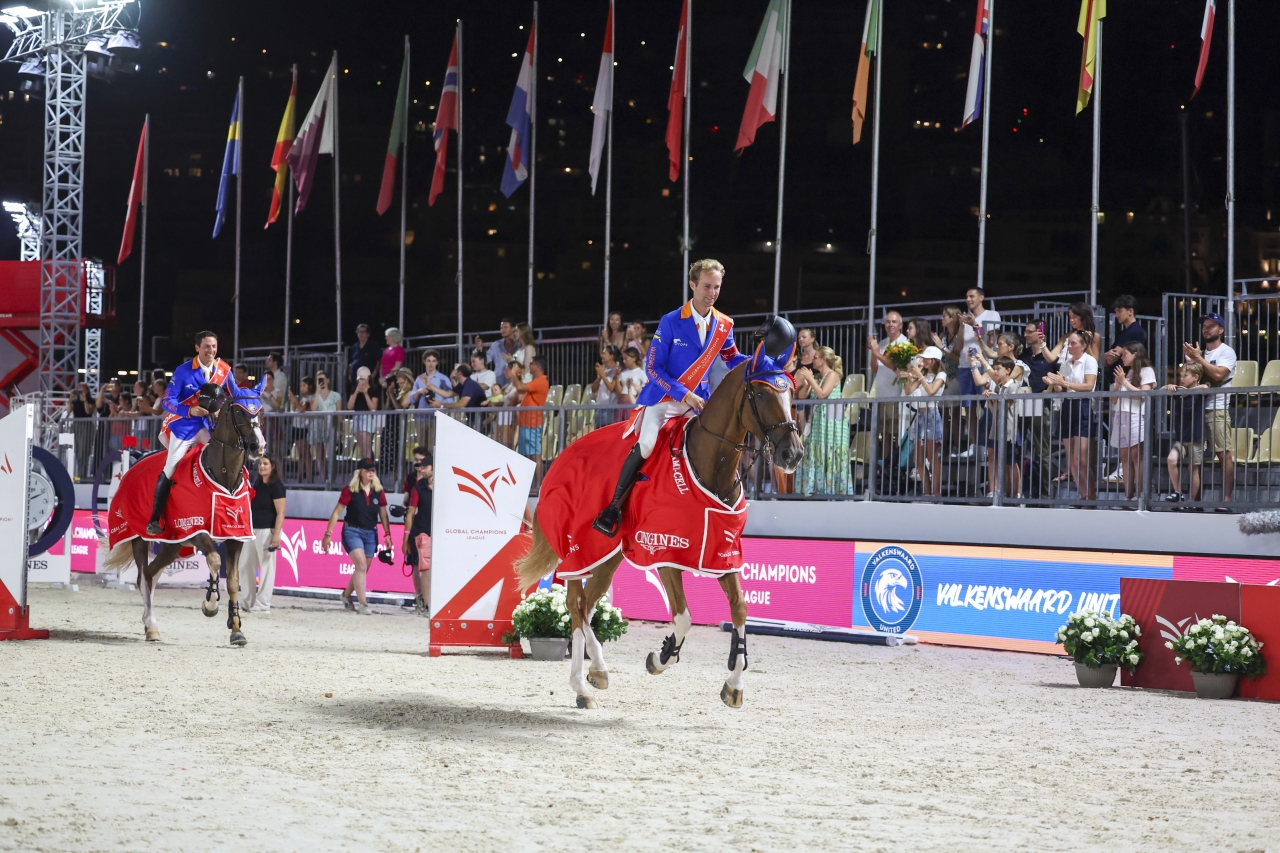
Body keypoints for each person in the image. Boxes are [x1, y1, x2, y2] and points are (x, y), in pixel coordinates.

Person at [591, 259, 752, 537]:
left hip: (699, 403)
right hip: (664, 399)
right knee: (646, 444)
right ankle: (613, 508)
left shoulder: (725, 324)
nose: (712, 293)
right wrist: (684, 394)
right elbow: (653, 369)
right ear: (692, 285)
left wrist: (761, 361)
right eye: (707, 286)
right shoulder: (671, 321)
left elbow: (732, 358)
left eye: (717, 287)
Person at [148, 330, 241, 536]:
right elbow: (167, 401)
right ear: (197, 348)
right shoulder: (183, 371)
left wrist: (224, 406)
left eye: (214, 346)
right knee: (171, 466)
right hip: (184, 426)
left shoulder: (224, 369)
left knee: (222, 457)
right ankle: (154, 518)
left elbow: (233, 395)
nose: (211, 350)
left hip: (208, 426)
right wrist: (189, 410)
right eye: (207, 346)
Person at [321, 458, 392, 615]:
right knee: (361, 565)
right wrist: (328, 534)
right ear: (360, 472)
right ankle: (363, 604)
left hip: (371, 532)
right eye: (368, 470)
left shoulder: (379, 491)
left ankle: (346, 596)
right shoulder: (350, 491)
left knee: (363, 568)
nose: (371, 472)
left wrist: (387, 534)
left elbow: (383, 515)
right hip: (352, 530)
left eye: (373, 469)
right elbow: (337, 512)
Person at [1182, 312, 1236, 507]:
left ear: (1221, 330)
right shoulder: (1200, 353)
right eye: (1204, 326)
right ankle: (1195, 500)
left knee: (1223, 453)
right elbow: (1189, 379)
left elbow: (1219, 374)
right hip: (1197, 409)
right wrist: (1190, 361)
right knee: (1194, 456)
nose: (1206, 329)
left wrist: (1198, 358)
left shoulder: (1226, 352)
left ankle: (1226, 500)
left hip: (1217, 408)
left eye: (1211, 326)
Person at [1045, 331, 1098, 503]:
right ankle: (1082, 496)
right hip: (1068, 405)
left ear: (1083, 345)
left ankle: (1091, 496)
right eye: (1068, 343)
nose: (1069, 346)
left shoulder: (1089, 360)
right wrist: (1055, 383)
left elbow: (1089, 385)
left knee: (1082, 459)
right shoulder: (1066, 363)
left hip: (1082, 405)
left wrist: (1064, 383)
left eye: (1073, 343)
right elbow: (1062, 389)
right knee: (1073, 461)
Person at [795, 346, 850, 496]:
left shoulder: (833, 375)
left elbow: (822, 394)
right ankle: (816, 489)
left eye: (816, 357)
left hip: (831, 424)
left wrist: (811, 380)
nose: (813, 360)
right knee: (815, 452)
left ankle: (832, 491)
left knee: (830, 454)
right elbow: (801, 397)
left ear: (824, 360)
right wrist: (807, 383)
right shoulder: (817, 378)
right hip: (818, 423)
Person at [1109, 341, 1157, 503]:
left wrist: (1124, 382)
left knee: (1137, 456)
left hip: (1136, 415)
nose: (1122, 357)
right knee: (1124, 457)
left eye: (1125, 354)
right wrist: (1118, 385)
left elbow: (1143, 395)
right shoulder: (1127, 372)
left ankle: (1140, 494)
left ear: (1135, 354)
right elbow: (1114, 400)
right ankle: (1128, 495)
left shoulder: (1146, 370)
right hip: (1120, 414)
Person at [866, 311, 908, 492]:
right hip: (881, 394)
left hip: (896, 395)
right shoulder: (882, 343)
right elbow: (875, 368)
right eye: (887, 322)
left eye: (894, 322)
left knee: (896, 433)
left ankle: (896, 467)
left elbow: (894, 365)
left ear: (900, 325)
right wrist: (874, 352)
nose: (890, 324)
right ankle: (885, 468)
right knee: (885, 434)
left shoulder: (903, 343)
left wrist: (877, 351)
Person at [241, 453, 285, 613]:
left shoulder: (277, 486)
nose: (261, 466)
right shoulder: (257, 484)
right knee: (245, 565)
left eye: (265, 463)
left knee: (266, 568)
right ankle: (247, 602)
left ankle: (263, 604)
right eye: (260, 463)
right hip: (252, 530)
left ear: (272, 466)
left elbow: (281, 512)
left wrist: (276, 535)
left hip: (267, 531)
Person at [977, 356, 1024, 500]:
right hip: (997, 429)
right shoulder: (999, 387)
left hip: (1008, 430)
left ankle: (1017, 493)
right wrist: (990, 399)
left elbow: (1006, 406)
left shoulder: (1013, 386)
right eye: (994, 369)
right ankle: (1006, 493)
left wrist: (995, 397)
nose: (995, 372)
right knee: (1001, 461)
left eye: (998, 369)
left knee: (1011, 462)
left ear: (1008, 370)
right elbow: (995, 411)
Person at [1021, 321, 1058, 497]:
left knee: (1042, 451)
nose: (1026, 335)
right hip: (1023, 403)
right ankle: (1018, 492)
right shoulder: (1023, 354)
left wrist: (1048, 390)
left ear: (1040, 333)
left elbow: (1058, 374)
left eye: (1029, 332)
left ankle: (1046, 494)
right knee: (1016, 447)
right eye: (1025, 332)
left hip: (1041, 404)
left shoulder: (1050, 356)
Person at [904, 346, 947, 499]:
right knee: (918, 459)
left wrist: (920, 376)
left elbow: (931, 391)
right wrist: (911, 375)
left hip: (932, 414)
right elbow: (908, 391)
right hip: (920, 415)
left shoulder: (941, 374)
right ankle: (927, 492)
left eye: (928, 359)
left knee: (931, 456)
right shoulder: (923, 374)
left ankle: (936, 493)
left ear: (935, 360)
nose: (925, 361)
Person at [1163, 362, 1208, 504]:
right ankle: (1178, 492)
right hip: (1181, 438)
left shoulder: (1199, 391)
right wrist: (1171, 386)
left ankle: (1192, 501)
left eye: (1185, 376)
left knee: (1193, 469)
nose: (1181, 379)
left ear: (1195, 377)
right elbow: (1161, 389)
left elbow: (1206, 386)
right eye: (1180, 375)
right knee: (1171, 460)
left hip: (1196, 437)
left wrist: (1188, 391)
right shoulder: (1179, 391)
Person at [402, 452, 434, 617]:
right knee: (426, 569)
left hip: (439, 533)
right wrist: (406, 537)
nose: (421, 470)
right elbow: (410, 513)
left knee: (429, 569)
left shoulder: (444, 487)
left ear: (433, 468)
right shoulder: (418, 488)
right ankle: (427, 605)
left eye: (425, 467)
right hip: (423, 532)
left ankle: (429, 603)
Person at [510, 355, 550, 483]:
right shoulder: (535, 381)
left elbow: (520, 387)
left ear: (537, 366)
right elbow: (520, 388)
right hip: (526, 423)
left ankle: (538, 486)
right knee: (526, 456)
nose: (529, 365)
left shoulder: (541, 381)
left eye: (531, 363)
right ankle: (528, 484)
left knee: (534, 455)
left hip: (533, 423)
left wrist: (513, 374)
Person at [408, 349, 454, 449]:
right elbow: (411, 399)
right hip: (421, 418)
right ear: (424, 361)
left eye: (433, 361)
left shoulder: (443, 379)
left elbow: (450, 399)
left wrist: (439, 403)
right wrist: (419, 391)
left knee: (433, 448)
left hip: (436, 418)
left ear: (437, 362)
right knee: (422, 449)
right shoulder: (419, 379)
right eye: (428, 361)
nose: (431, 364)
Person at [1103, 295, 1145, 377]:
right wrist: (1106, 356)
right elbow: (1107, 360)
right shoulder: (1127, 331)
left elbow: (1110, 359)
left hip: (1125, 379)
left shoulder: (1133, 331)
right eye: (1116, 312)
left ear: (1130, 311)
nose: (1116, 315)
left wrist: (1106, 356)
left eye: (1119, 311)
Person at [347, 365, 380, 459]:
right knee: (362, 448)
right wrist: (356, 392)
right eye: (360, 379)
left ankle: (369, 465)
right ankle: (366, 464)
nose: (361, 381)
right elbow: (349, 407)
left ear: (368, 378)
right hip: (357, 417)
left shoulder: (373, 390)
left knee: (366, 448)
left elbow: (373, 408)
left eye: (363, 379)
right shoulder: (355, 389)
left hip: (367, 418)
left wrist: (365, 393)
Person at [592, 345, 622, 427]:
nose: (602, 355)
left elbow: (612, 388)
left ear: (611, 356)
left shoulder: (617, 370)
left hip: (610, 409)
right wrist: (599, 378)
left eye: (604, 353)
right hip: (599, 407)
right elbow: (593, 389)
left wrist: (603, 375)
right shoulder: (603, 370)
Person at [348, 323, 381, 389]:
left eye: (363, 332)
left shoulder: (373, 345)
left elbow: (378, 362)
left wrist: (372, 376)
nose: (361, 334)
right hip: (356, 379)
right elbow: (351, 362)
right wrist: (350, 375)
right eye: (359, 332)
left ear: (368, 334)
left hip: (368, 379)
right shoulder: (354, 346)